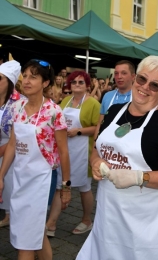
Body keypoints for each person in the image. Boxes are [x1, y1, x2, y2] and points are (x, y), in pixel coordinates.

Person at [76, 55, 158, 260]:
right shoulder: (114, 111)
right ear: (135, 79)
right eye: (142, 79)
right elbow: (97, 148)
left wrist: (138, 177)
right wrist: (96, 161)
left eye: (154, 85)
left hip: (144, 222)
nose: (145, 87)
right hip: (108, 215)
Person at [0, 59, 71, 260]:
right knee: (36, 235)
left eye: (34, 76)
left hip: (41, 181)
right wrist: (1, 175)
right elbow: (13, 144)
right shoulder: (17, 107)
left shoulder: (54, 112)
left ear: (46, 83)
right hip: (20, 179)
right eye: (26, 75)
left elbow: (64, 152)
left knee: (25, 242)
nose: (27, 80)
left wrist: (66, 187)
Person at [46, 71, 100, 236]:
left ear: (87, 85)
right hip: (66, 150)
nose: (77, 85)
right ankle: (51, 224)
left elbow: (97, 128)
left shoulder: (93, 104)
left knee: (84, 188)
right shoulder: (65, 101)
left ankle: (86, 220)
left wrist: (78, 131)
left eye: (81, 82)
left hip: (83, 151)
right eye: (74, 82)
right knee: (60, 187)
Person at [0, 61, 23, 228]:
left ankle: (13, 216)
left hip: (12, 151)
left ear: (9, 82)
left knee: (11, 185)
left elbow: (18, 138)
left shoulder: (19, 104)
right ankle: (7, 214)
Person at [94, 60, 135, 138]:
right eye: (116, 73)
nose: (119, 77)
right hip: (106, 142)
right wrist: (95, 146)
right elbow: (100, 123)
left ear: (133, 77)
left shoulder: (139, 97)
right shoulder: (107, 96)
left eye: (124, 73)